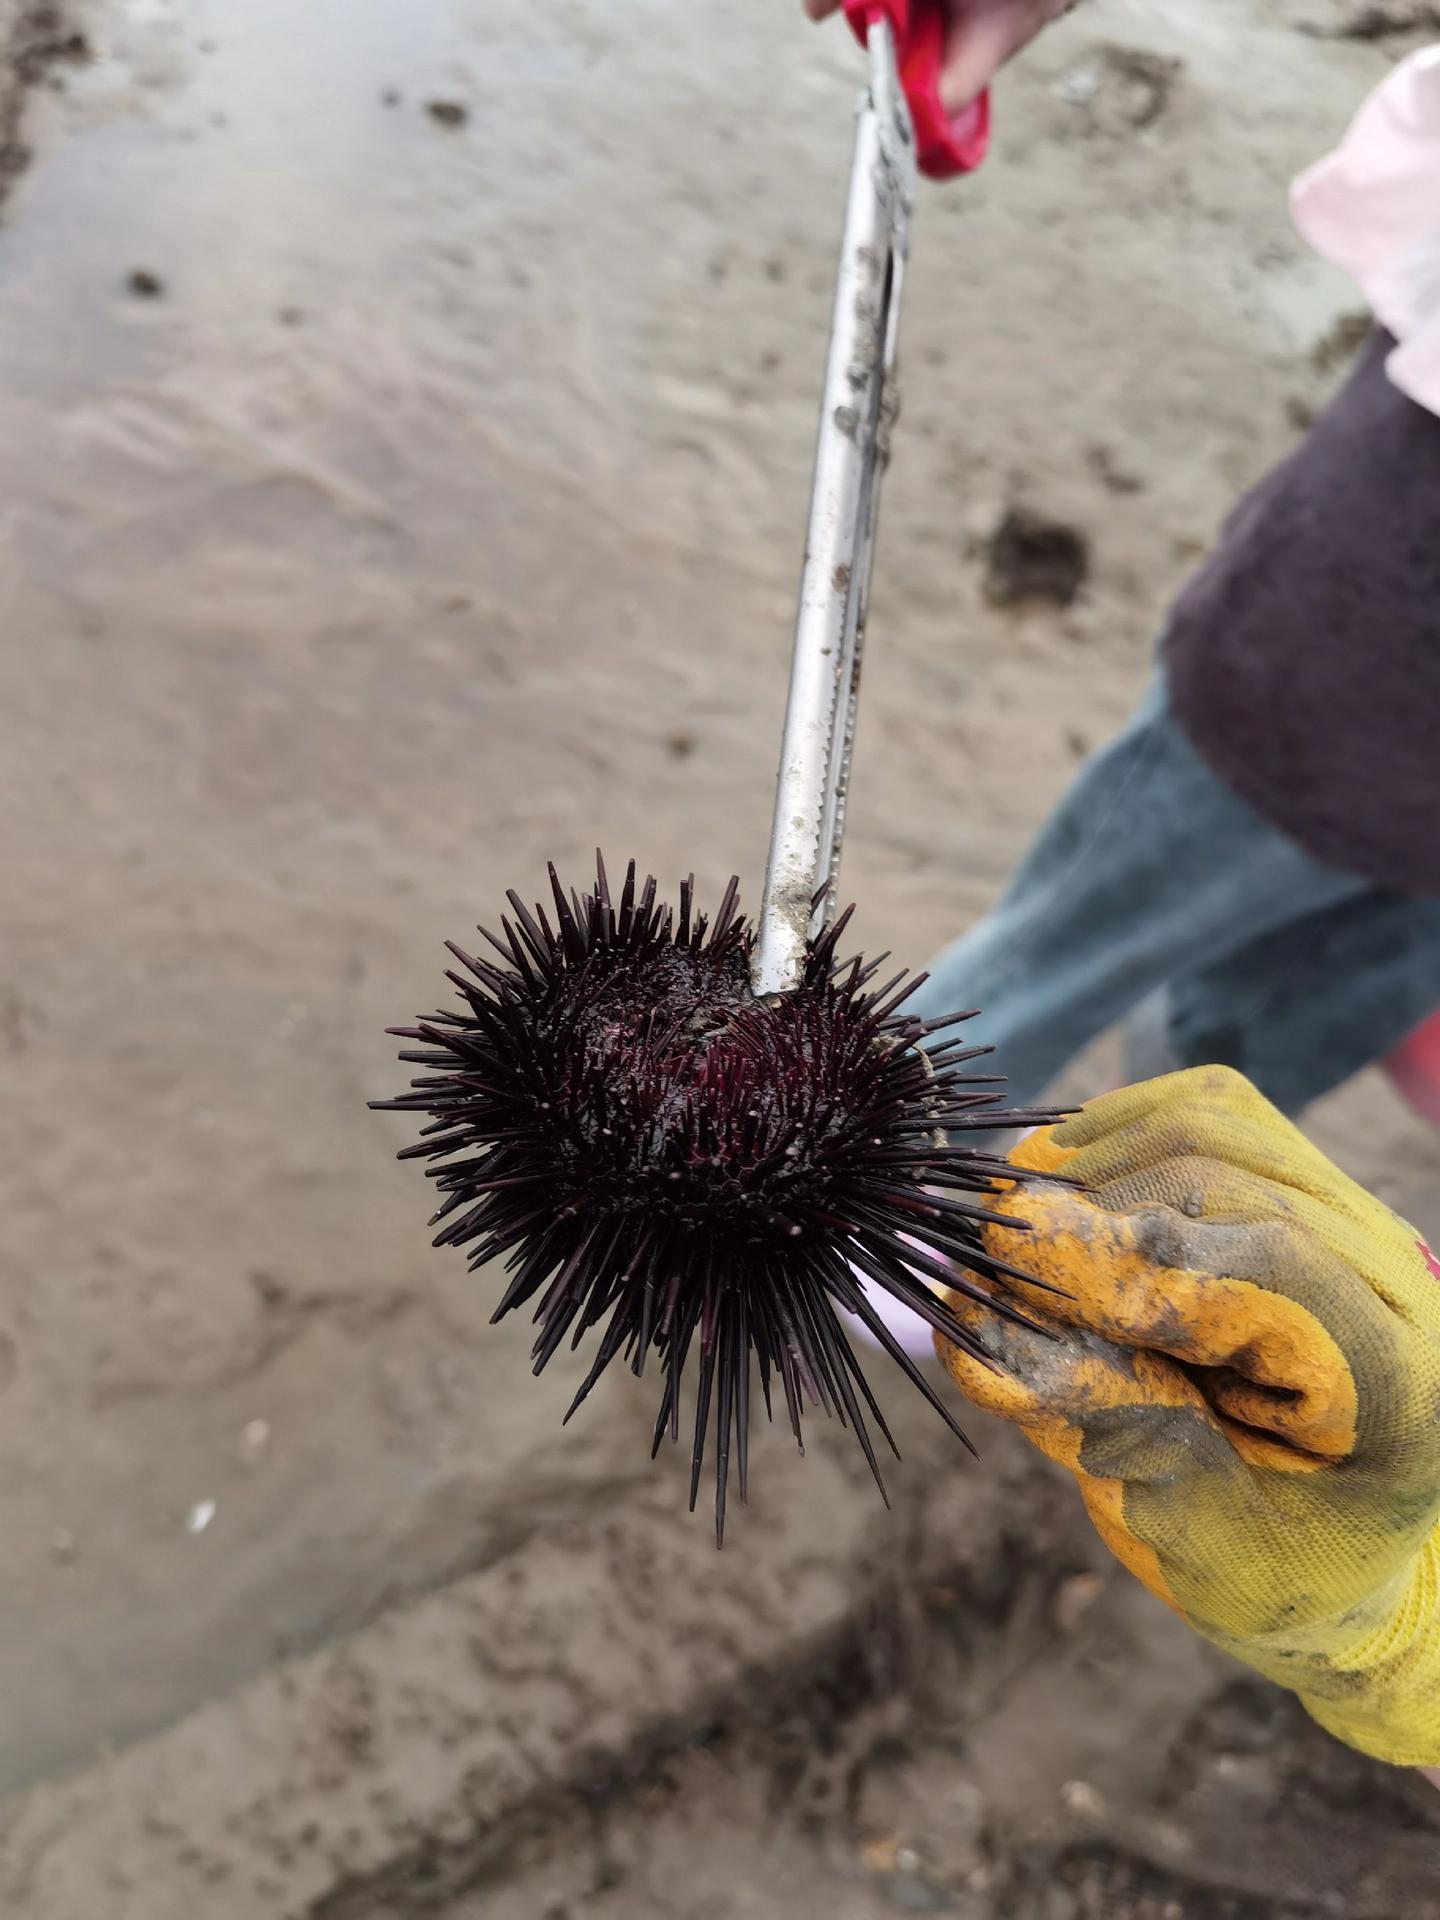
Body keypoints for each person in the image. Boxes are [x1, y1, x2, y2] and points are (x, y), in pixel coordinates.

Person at [807, 3, 1440, 1778]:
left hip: (1368, 744)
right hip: (1361, 723)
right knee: (1160, 973)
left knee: (1148, 996)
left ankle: (937, 1213)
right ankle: (908, 1212)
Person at [806, 2, 1440, 1123]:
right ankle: (862, 1239)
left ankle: (1141, 1196)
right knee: (1043, 978)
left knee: (1222, 1069)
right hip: (1327, 671)